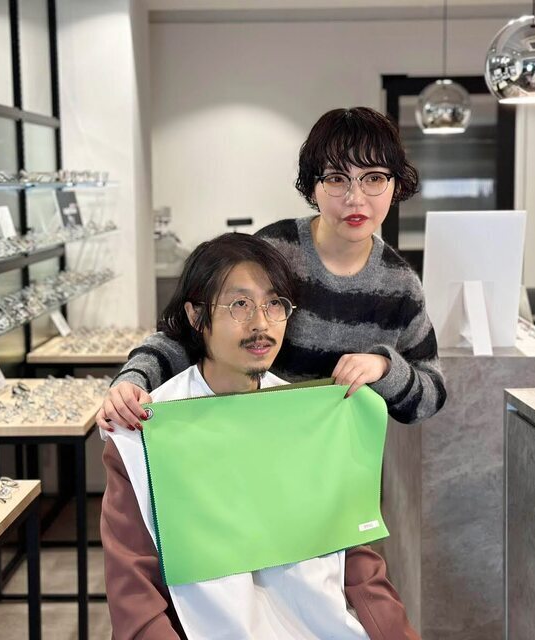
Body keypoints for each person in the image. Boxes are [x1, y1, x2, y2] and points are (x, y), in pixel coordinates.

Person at [101, 232, 419, 639]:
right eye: (239, 304)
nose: (261, 324)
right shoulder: (148, 434)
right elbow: (135, 599)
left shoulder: (308, 417)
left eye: (274, 304)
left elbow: (355, 560)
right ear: (196, 316)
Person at [96, 106, 446, 433]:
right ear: (312, 187)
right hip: (255, 443)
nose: (356, 198)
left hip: (339, 460)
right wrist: (133, 381)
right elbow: (189, 334)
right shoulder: (275, 251)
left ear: (396, 185)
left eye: (374, 178)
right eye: (337, 179)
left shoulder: (401, 285)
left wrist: (384, 368)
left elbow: (431, 394)